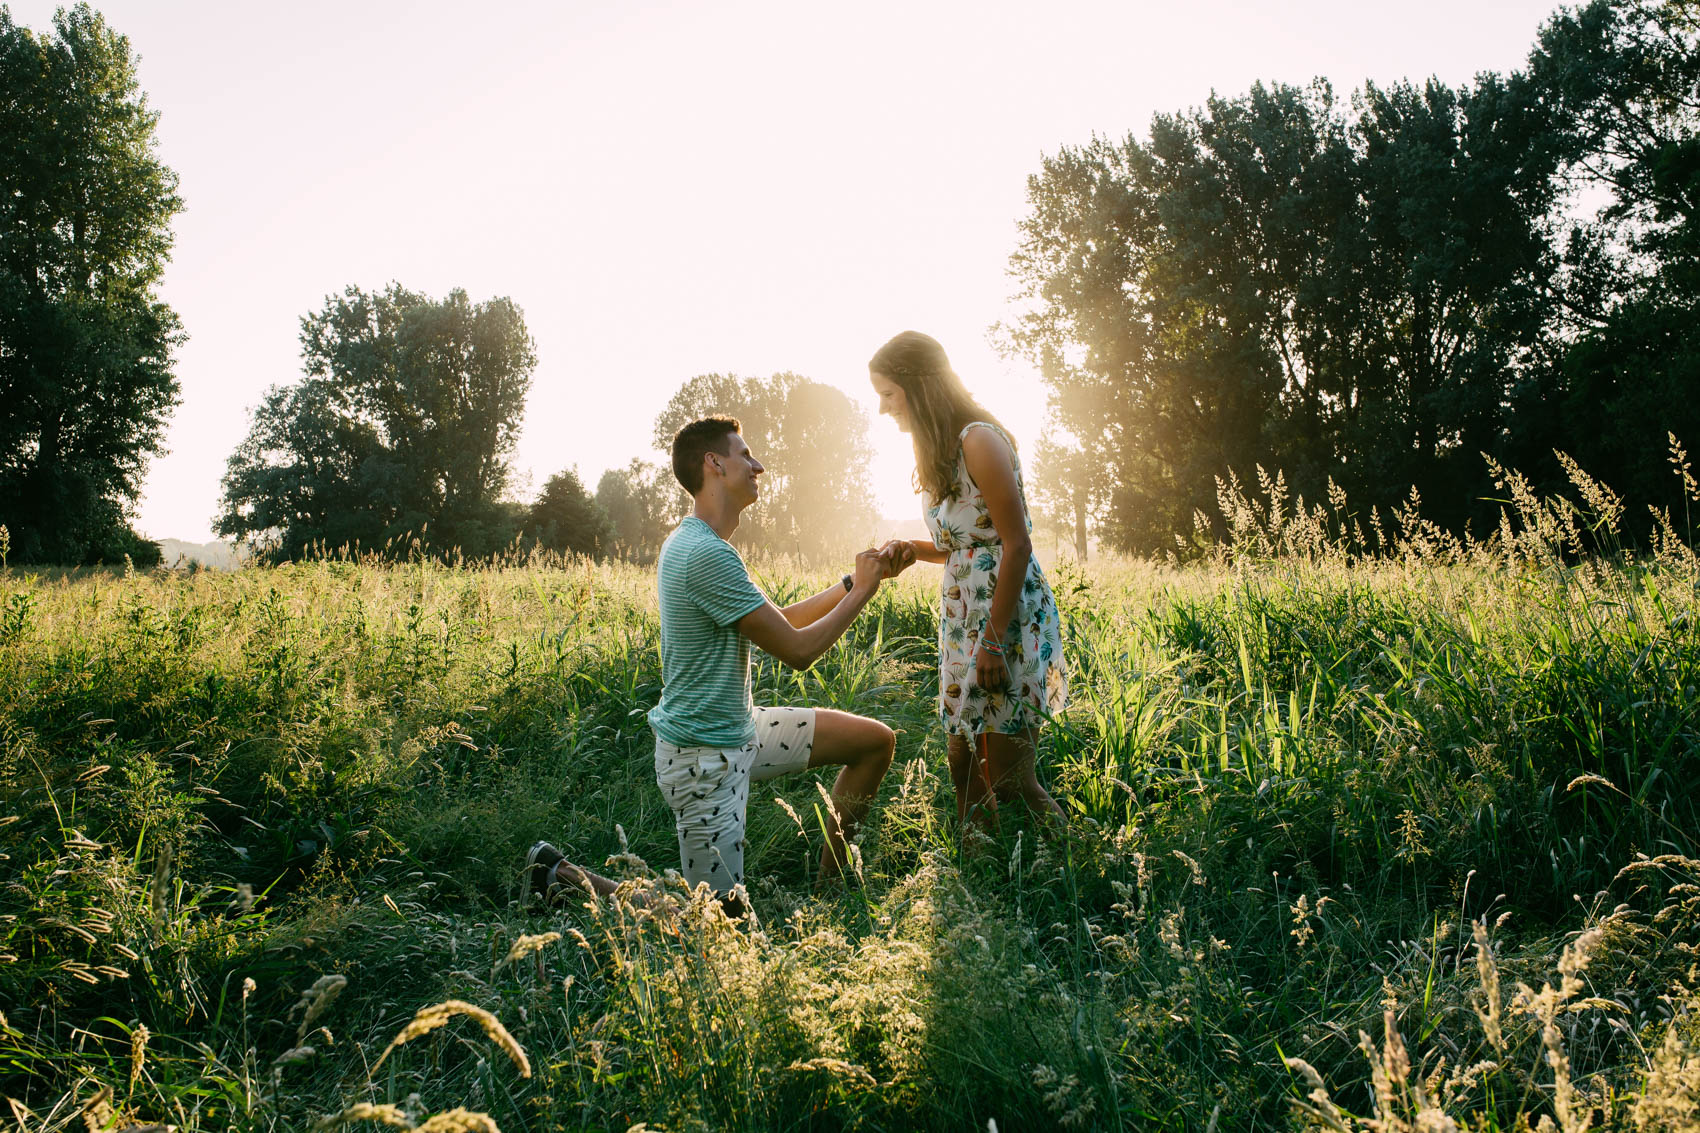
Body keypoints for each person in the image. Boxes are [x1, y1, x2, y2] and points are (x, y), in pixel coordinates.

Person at [525, 416, 909, 914]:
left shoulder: (706, 545)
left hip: (741, 730)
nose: (759, 465)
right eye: (745, 454)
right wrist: (864, 589)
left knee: (873, 742)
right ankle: (561, 875)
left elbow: (779, 623)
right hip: (703, 758)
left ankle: (830, 894)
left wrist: (850, 583)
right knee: (719, 927)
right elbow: (797, 651)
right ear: (714, 464)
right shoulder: (703, 554)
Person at [868, 331, 1068, 831]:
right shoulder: (938, 450)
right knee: (963, 764)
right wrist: (914, 549)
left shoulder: (978, 439)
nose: (882, 408)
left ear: (920, 386)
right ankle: (979, 883)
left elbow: (1015, 543)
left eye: (888, 393)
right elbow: (968, 543)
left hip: (1004, 622)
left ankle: (1082, 868)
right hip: (963, 620)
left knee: (1009, 780)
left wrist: (994, 643)